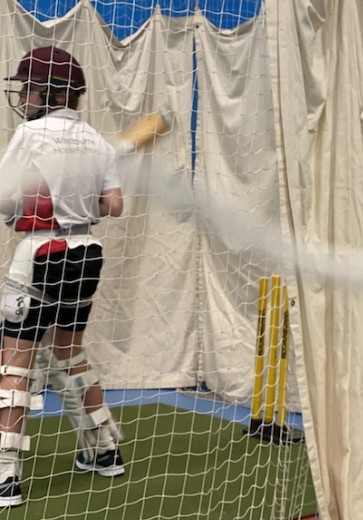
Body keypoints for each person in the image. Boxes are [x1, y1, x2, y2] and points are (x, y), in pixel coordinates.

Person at [0, 46, 125, 508]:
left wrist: (28, 205)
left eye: (28, 87)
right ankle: (105, 450)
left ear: (48, 92)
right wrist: (76, 200)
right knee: (70, 354)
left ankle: (5, 477)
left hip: (41, 252)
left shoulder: (30, 132)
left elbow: (5, 198)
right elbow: (114, 206)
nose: (23, 95)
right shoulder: (98, 140)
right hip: (87, 252)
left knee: (15, 362)